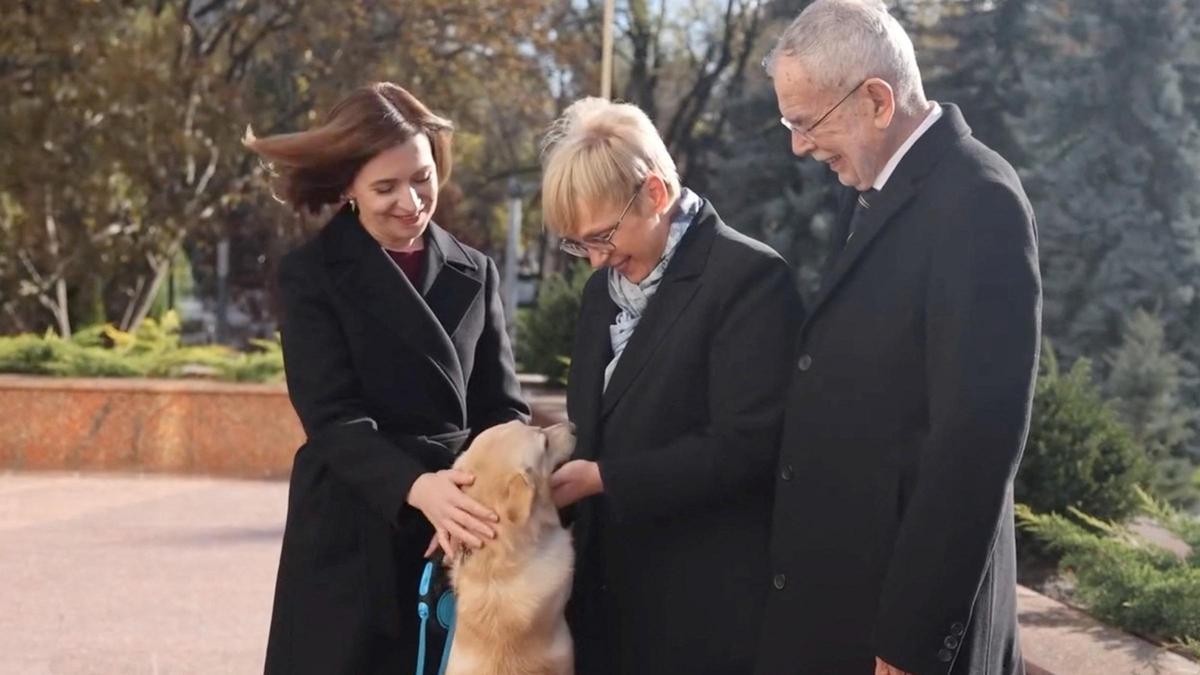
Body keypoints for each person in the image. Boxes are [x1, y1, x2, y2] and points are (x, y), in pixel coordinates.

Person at [756, 2, 1041, 674]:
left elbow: (975, 441)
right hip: (842, 601)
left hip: (898, 635)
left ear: (878, 101)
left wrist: (913, 639)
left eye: (807, 122)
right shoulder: (871, 183)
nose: (798, 145)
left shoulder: (979, 201)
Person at [245, 82, 530, 674]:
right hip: (353, 532)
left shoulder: (476, 271)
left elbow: (503, 410)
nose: (411, 201)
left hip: (456, 535)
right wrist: (420, 489)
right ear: (347, 186)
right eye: (385, 187)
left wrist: (474, 496)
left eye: (422, 177)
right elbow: (331, 416)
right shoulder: (311, 275)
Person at [541, 97, 803, 674]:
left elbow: (748, 446)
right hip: (604, 611)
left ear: (655, 194)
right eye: (579, 244)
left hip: (697, 616)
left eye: (602, 236)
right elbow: (595, 427)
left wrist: (606, 478)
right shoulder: (600, 293)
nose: (594, 260)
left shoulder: (749, 279)